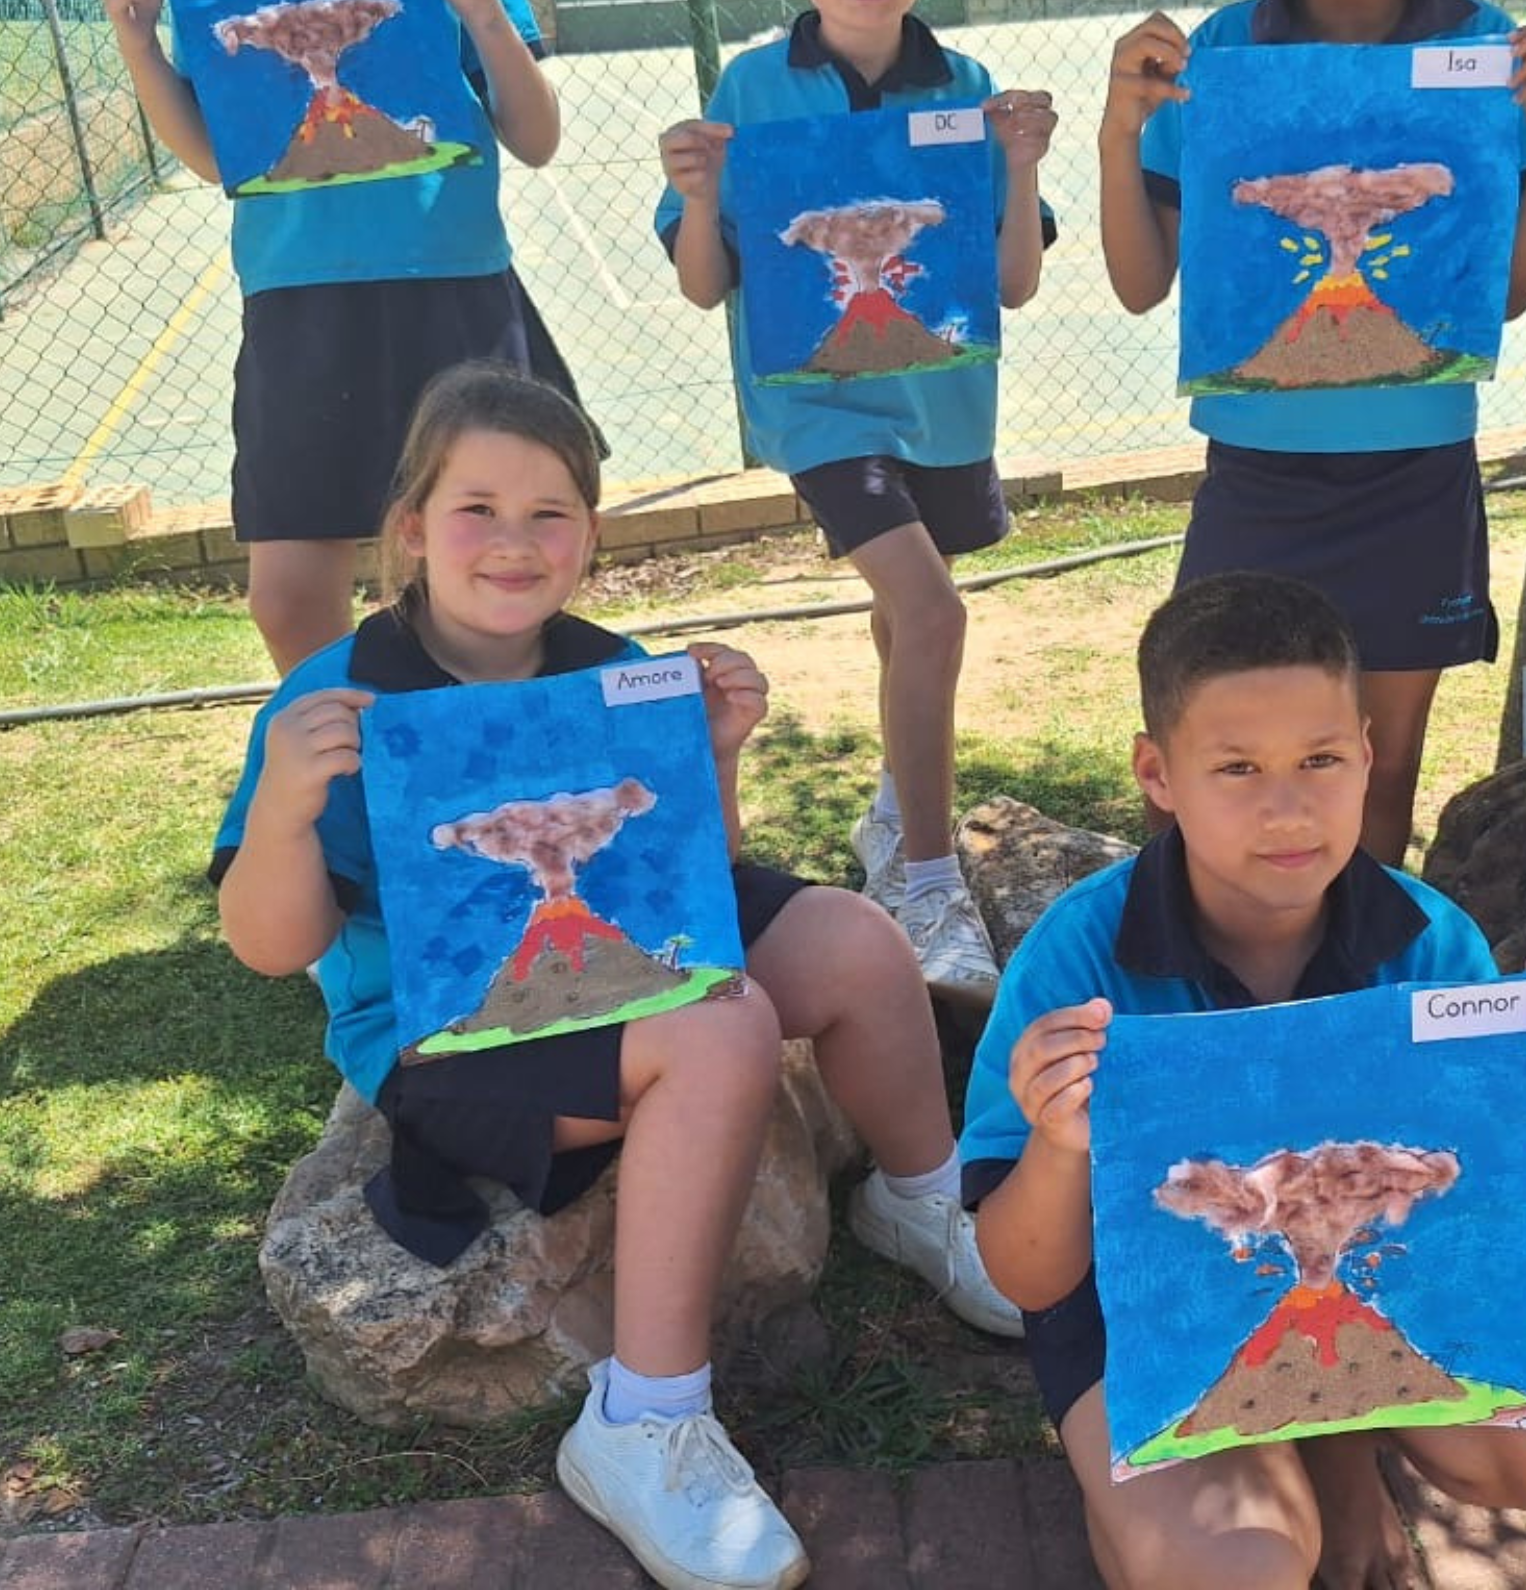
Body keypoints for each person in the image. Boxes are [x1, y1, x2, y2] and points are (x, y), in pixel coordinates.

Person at [211, 362, 1020, 1590]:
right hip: (447, 1024)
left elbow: (695, 873)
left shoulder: (612, 666)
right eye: (477, 508)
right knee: (722, 1027)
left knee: (857, 940)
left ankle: (919, 1196)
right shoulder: (335, 692)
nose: (514, 540)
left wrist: (715, 754)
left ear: (590, 534)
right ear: (412, 526)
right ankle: (644, 1417)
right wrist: (282, 803)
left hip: (620, 941)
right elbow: (270, 946)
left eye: (550, 512)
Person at [960, 571, 1526, 1590]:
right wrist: (1055, 1143)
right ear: (1157, 773)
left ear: (1367, 753)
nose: (1286, 807)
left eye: (1320, 759)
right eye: (1236, 767)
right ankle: (1154, 1499)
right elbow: (1025, 1278)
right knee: (1236, 1564)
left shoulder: (1428, 941)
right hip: (1145, 1315)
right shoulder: (1076, 958)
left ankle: (1337, 1447)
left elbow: (1468, 1218)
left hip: (1368, 1283)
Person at [1098, 0, 1526, 867]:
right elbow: (1139, 282)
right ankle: (1200, 967)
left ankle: (1355, 978)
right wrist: (1118, 132)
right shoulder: (1221, 52)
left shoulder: (1486, 53)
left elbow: (1499, 299)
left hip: (1414, 477)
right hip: (1256, 475)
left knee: (1374, 781)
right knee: (1206, 770)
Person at [93, 0, 581, 676]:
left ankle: (463, 759)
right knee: (288, 598)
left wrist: (476, 4)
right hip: (300, 296)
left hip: (452, 286)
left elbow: (536, 137)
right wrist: (137, 42)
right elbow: (218, 159)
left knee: (478, 584)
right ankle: (355, 761)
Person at [657, 0, 1056, 1008]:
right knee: (930, 610)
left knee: (903, 616)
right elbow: (703, 284)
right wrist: (697, 190)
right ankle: (928, 882)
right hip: (821, 412)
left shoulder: (966, 88)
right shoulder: (750, 89)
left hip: (944, 405)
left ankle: (893, 812)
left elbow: (1012, 283)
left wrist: (1022, 162)